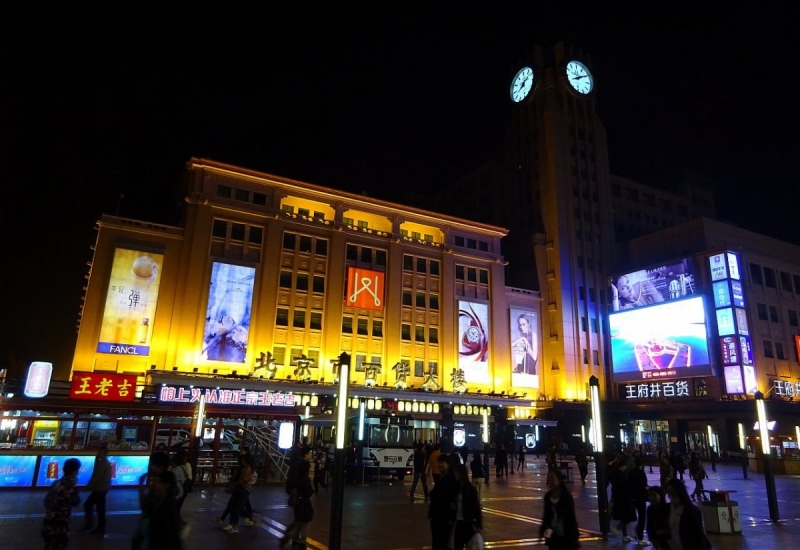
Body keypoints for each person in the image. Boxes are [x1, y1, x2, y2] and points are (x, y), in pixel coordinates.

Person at [42, 457, 81, 550]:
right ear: (75, 471)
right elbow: (76, 501)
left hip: (48, 522)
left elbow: (46, 501)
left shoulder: (56, 483)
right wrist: (74, 485)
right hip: (59, 526)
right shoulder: (69, 487)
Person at [665, 479, 711, 550]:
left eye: (673, 492)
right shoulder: (667, 509)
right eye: (669, 492)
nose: (671, 495)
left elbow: (699, 535)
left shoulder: (692, 511)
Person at [539, 469, 579, 550]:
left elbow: (571, 517)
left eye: (552, 478)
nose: (550, 481)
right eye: (549, 478)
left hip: (566, 534)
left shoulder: (566, 496)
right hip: (553, 535)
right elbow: (546, 516)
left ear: (559, 480)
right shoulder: (548, 496)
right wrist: (543, 531)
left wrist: (575, 537)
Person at [281, 460, 314, 549]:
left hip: (297, 504)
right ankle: (302, 542)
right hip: (305, 503)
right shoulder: (305, 479)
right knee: (304, 525)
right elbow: (309, 492)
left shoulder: (295, 478)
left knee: (298, 523)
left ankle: (290, 538)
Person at [428, 453, 457, 550]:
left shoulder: (450, 479)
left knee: (442, 544)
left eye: (442, 463)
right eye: (438, 462)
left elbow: (451, 500)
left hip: (443, 519)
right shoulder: (442, 478)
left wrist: (450, 519)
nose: (439, 465)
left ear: (448, 464)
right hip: (438, 518)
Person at [452, 464, 483, 550]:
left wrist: (478, 524)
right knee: (457, 546)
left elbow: (476, 507)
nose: (455, 474)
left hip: (468, 523)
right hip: (459, 522)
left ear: (461, 473)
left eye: (456, 472)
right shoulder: (456, 487)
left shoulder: (470, 489)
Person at [82, 446, 111, 535]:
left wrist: (89, 487)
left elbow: (97, 477)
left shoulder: (102, 462)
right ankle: (100, 527)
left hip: (100, 488)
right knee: (100, 508)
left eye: (99, 450)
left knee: (89, 505)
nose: (97, 452)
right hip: (103, 488)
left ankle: (92, 525)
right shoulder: (102, 461)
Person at [609, 460, 637, 542]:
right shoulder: (621, 476)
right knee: (630, 516)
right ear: (622, 466)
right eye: (625, 466)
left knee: (624, 516)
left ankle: (625, 535)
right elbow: (624, 488)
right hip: (624, 499)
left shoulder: (616, 475)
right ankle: (619, 527)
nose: (626, 468)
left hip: (619, 499)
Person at [630, 457, 650, 546]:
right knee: (642, 517)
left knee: (634, 514)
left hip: (633, 497)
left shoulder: (631, 472)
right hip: (641, 497)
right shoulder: (641, 473)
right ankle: (640, 536)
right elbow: (643, 485)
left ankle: (624, 529)